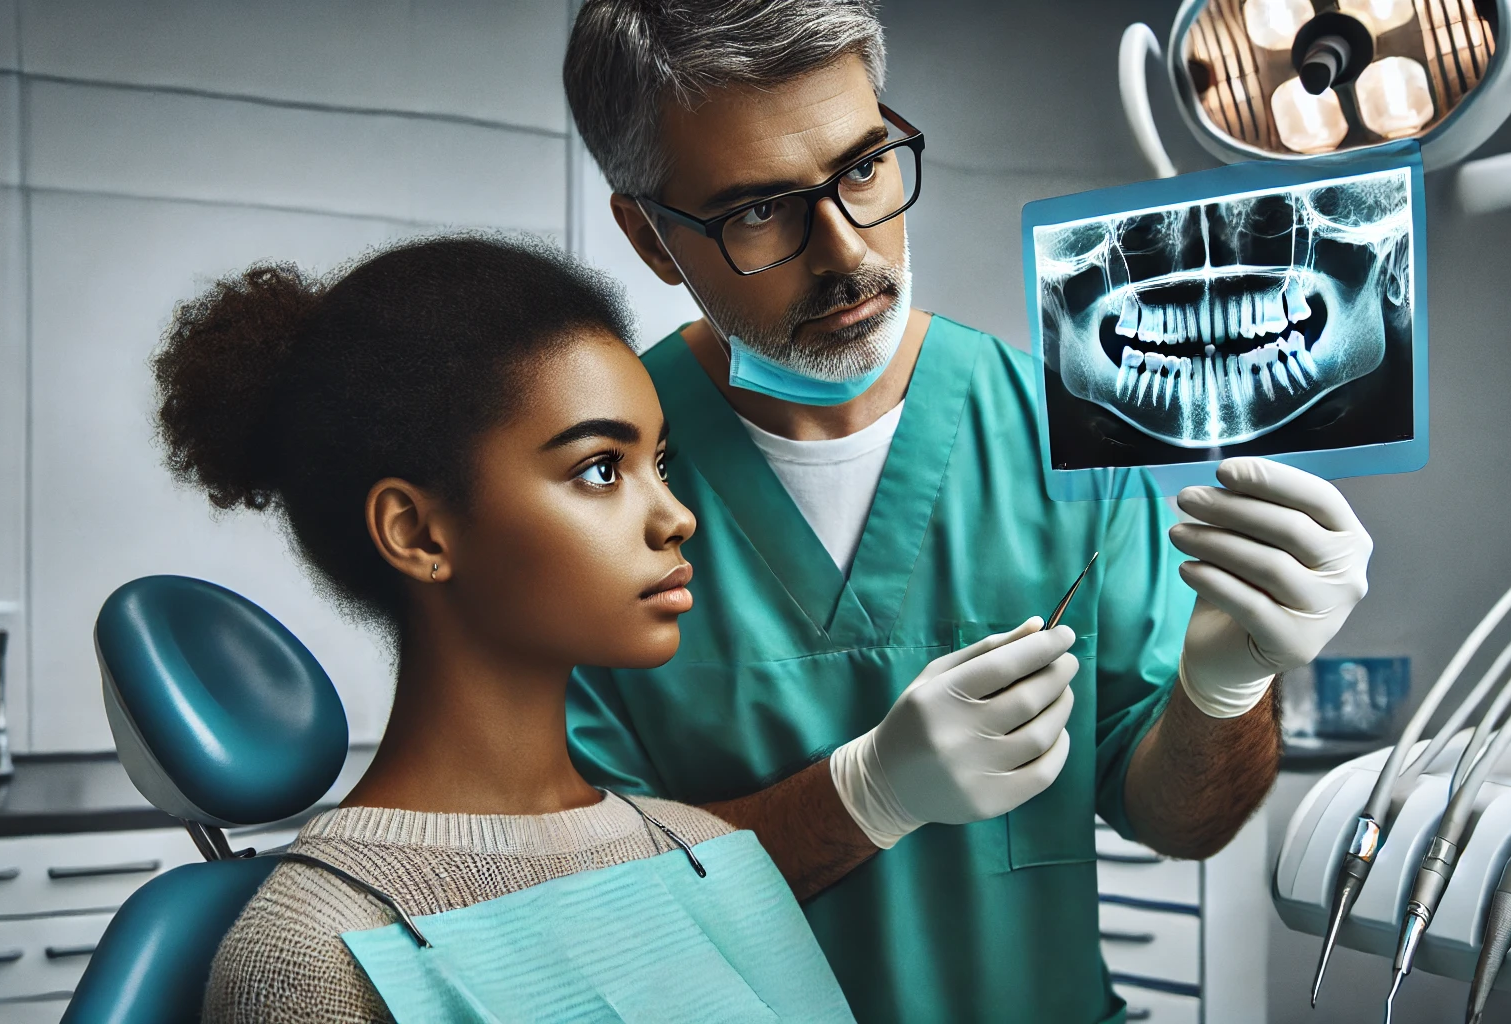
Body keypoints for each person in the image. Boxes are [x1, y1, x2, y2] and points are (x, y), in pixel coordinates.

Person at [561, 3, 1376, 1022]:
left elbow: (1182, 819)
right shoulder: (576, 487)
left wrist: (1228, 685)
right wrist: (864, 795)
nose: (845, 250)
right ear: (648, 237)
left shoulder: (1059, 430)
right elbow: (582, 910)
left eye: (862, 167)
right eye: (759, 211)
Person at [155, 235, 856, 1022]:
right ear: (418, 533)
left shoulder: (702, 853)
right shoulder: (313, 957)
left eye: (659, 464)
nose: (677, 517)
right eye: (599, 469)